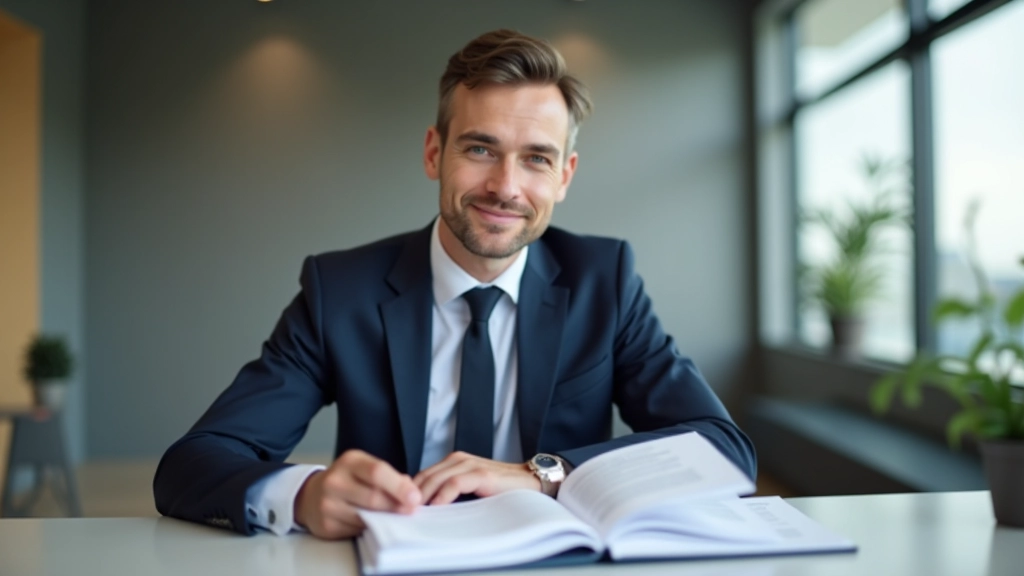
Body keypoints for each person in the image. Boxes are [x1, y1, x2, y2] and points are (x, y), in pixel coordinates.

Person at [153, 28, 756, 540]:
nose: (505, 186)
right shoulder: (340, 290)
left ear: (565, 175)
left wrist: (538, 473)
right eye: (480, 148)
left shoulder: (606, 281)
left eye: (537, 159)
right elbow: (190, 465)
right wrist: (305, 495)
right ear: (433, 152)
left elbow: (722, 450)